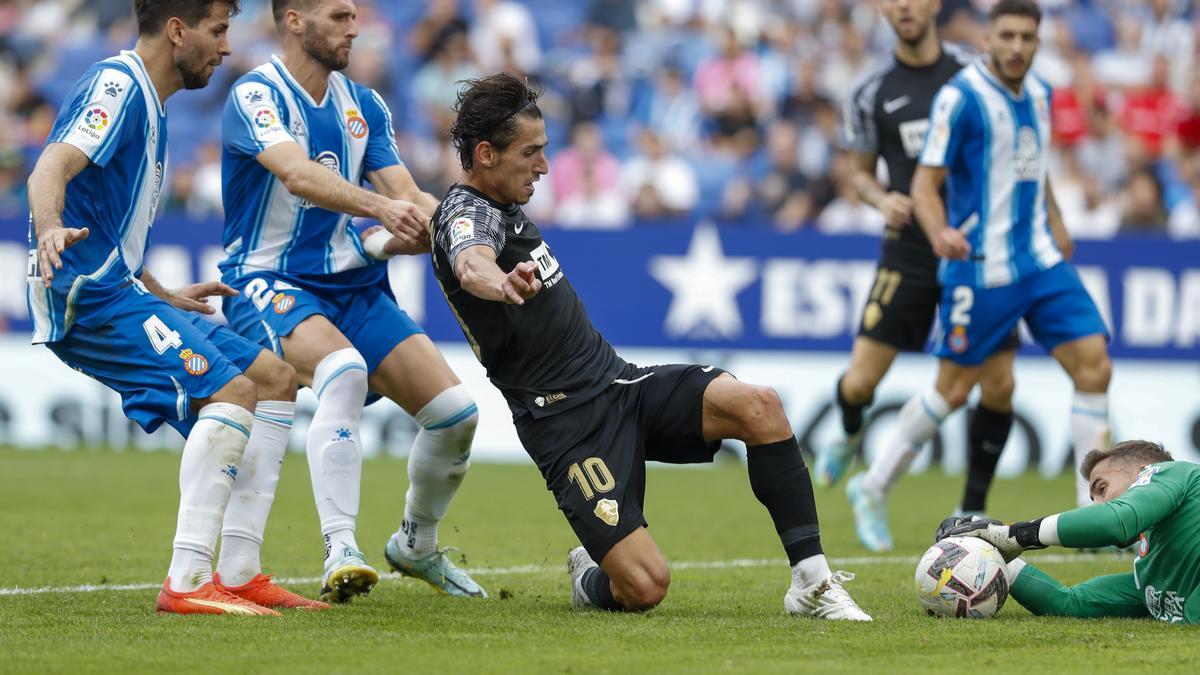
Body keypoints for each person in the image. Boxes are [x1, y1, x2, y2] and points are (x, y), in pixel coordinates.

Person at [429, 73, 870, 620]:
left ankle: (812, 583)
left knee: (760, 405)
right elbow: (471, 262)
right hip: (566, 426)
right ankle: (589, 576)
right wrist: (501, 284)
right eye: (533, 153)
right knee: (644, 587)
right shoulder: (468, 213)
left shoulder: (501, 201)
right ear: (487, 153)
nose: (544, 166)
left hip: (620, 384)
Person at [26, 0, 324, 615]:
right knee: (232, 394)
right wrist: (51, 227)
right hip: (89, 297)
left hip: (122, 288)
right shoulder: (119, 84)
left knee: (273, 378)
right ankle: (188, 580)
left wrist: (163, 295)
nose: (224, 48)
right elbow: (51, 164)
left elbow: (112, 229)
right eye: (217, 32)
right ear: (177, 29)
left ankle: (240, 573)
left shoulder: (153, 106)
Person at [218, 0, 485, 603]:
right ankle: (341, 546)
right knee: (343, 371)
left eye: (354, 15)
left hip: (355, 283)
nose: (354, 27)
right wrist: (383, 211)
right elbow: (297, 174)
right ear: (293, 19)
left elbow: (407, 193)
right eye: (338, 15)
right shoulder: (257, 95)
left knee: (455, 417)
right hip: (269, 278)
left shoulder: (364, 105)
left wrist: (468, 240)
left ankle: (415, 545)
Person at [849, 0, 1111, 552]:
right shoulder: (961, 96)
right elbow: (924, 183)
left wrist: (1058, 222)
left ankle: (1092, 518)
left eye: (1027, 37)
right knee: (953, 390)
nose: (1017, 47)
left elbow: (1033, 168)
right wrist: (939, 231)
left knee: (1094, 366)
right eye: (1007, 36)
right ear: (989, 38)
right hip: (979, 267)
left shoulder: (1039, 93)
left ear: (1038, 42)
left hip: (1039, 260)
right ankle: (871, 485)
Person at [817, 0, 1020, 543]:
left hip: (977, 248)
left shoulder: (974, 71)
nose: (904, 6)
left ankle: (969, 513)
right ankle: (849, 433)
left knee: (999, 384)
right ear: (883, 9)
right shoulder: (869, 92)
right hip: (908, 248)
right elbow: (859, 174)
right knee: (860, 382)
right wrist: (880, 199)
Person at [936, 440, 1200, 624]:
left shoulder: (1173, 473)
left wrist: (1016, 534)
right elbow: (1070, 603)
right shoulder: (1151, 570)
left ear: (1144, 474)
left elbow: (1115, 520)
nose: (1097, 506)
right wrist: (991, 555)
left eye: (1102, 488)